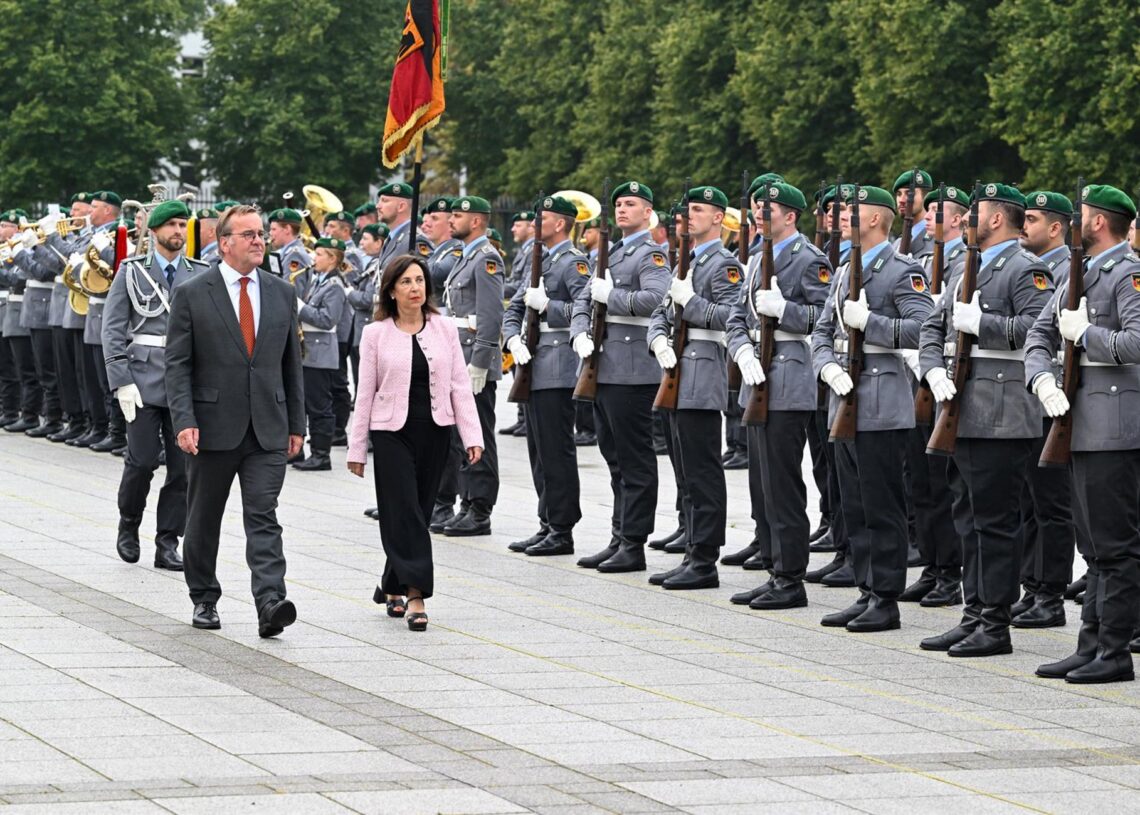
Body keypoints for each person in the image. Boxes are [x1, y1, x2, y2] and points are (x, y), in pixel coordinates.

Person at [918, 183, 1052, 657]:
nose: (962, 221)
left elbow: (1041, 333)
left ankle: (995, 622)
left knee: (996, 521)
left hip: (1000, 413)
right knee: (967, 515)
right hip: (959, 409)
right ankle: (973, 611)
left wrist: (983, 325)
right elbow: (932, 324)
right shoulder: (962, 265)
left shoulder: (1025, 268)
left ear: (996, 219)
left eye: (972, 213)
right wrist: (932, 366)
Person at [165, 204, 305, 638]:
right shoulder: (193, 292)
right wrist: (184, 419)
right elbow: (177, 364)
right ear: (224, 243)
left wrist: (296, 424)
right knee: (204, 517)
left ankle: (269, 602)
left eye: (260, 233)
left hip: (267, 426)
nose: (259, 240)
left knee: (264, 515)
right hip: (211, 427)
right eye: (248, 235)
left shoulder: (281, 292)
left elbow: (290, 365)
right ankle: (204, 596)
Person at [1025, 184, 1140, 684]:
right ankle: (1090, 643)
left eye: (1083, 215)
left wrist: (1085, 335)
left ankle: (1113, 652)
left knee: (1114, 545)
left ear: (1098, 222)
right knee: (1091, 545)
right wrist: (1041, 377)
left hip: (1115, 427)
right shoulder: (1081, 272)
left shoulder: (1129, 272)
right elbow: (1038, 334)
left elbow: (1136, 343)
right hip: (1077, 421)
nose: (1075, 223)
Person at [811, 184, 931, 633]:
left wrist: (872, 325)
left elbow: (923, 329)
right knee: (854, 503)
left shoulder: (902, 270)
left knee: (882, 505)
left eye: (852, 211)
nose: (842, 217)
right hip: (843, 397)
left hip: (881, 401)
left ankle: (886, 596)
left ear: (878, 218)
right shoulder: (844, 268)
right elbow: (823, 330)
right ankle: (865, 588)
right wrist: (826, 368)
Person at [347, 255, 483, 631]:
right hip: (391, 432)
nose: (414, 288)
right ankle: (416, 594)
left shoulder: (443, 328)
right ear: (391, 290)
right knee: (403, 509)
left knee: (418, 513)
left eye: (420, 281)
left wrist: (472, 435)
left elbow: (458, 384)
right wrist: (357, 447)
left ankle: (391, 584)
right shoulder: (376, 334)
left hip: (435, 431)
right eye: (405, 282)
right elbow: (365, 393)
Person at [726, 181, 832, 608]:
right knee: (762, 481)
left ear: (790, 215)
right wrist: (742, 350)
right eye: (755, 210)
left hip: (789, 380)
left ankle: (790, 577)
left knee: (783, 483)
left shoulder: (809, 258)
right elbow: (737, 315)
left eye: (767, 210)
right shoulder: (755, 258)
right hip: (757, 375)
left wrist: (783, 312)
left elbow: (828, 318)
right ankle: (772, 565)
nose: (758, 216)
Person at [646, 185, 743, 590]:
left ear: (719, 218)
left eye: (699, 210)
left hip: (703, 375)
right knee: (684, 470)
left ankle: (705, 558)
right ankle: (690, 547)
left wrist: (694, 304)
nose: (690, 217)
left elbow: (734, 316)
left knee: (703, 470)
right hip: (676, 372)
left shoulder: (724, 264)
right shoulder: (684, 260)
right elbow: (661, 312)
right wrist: (657, 339)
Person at [102, 200, 207, 570]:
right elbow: (113, 329)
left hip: (186, 387)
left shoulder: (200, 272)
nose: (179, 231)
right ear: (157, 231)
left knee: (182, 469)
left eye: (183, 225)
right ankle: (128, 523)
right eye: (172, 225)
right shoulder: (131, 272)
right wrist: (121, 381)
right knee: (142, 461)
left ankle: (167, 541)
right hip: (143, 380)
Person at [570, 180, 669, 572]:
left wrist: (609, 297)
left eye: (631, 204)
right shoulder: (609, 251)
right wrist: (579, 330)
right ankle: (618, 534)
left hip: (634, 369)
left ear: (648, 213)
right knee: (613, 458)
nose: (623, 209)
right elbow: (584, 297)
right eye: (619, 204)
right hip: (604, 366)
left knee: (635, 460)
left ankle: (634, 542)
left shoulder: (652, 254)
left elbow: (655, 300)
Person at [503, 195, 588, 557]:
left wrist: (548, 307)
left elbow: (586, 310)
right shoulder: (537, 260)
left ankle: (562, 528)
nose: (537, 225)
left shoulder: (574, 262)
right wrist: (510, 337)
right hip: (532, 361)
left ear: (561, 224)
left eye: (545, 219)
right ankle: (546, 522)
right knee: (538, 450)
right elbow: (517, 305)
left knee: (556, 450)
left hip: (558, 364)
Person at [439, 195, 504, 536]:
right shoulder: (465, 258)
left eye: (457, 215)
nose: (451, 220)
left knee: (478, 434)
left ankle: (480, 508)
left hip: (474, 363)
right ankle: (467, 502)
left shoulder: (486, 258)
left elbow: (492, 317)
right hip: (458, 358)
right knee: (462, 435)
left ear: (476, 221)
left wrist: (481, 362)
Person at [292, 237, 349, 472]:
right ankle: (306, 451)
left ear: (333, 259)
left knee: (319, 406)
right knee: (307, 403)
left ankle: (321, 455)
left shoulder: (335, 285)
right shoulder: (320, 281)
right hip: (310, 351)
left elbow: (327, 320)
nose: (314, 258)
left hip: (320, 352)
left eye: (320, 254)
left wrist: (300, 307)